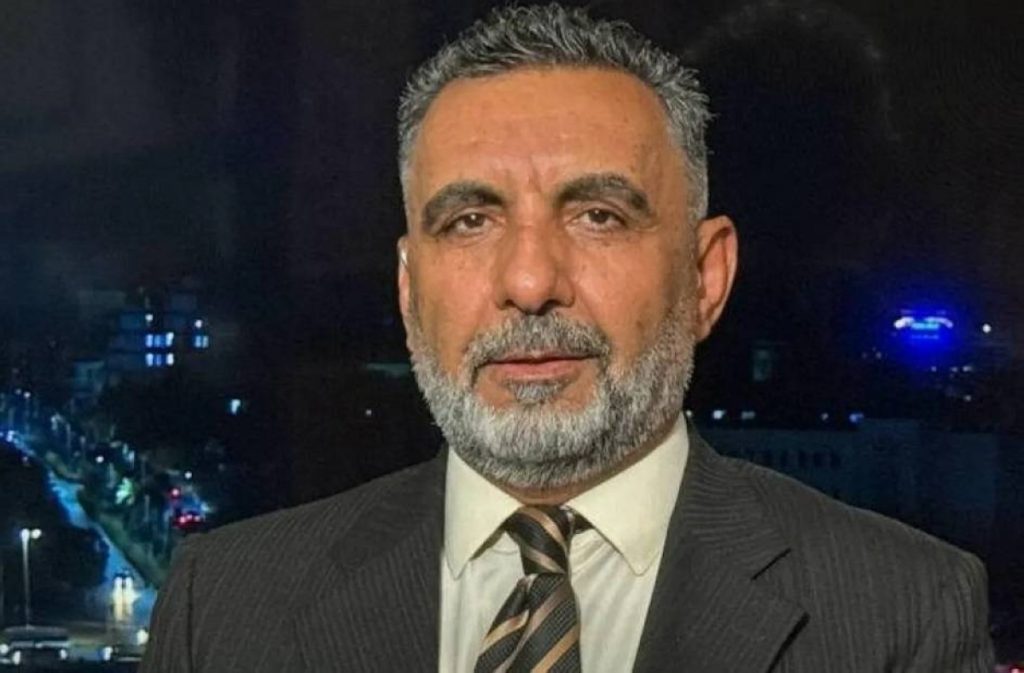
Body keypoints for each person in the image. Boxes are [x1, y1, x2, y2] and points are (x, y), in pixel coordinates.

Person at [141, 5, 995, 672]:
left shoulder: (903, 611)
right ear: (408, 288)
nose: (529, 281)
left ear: (705, 277)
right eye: (470, 221)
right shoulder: (224, 606)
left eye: (598, 216)